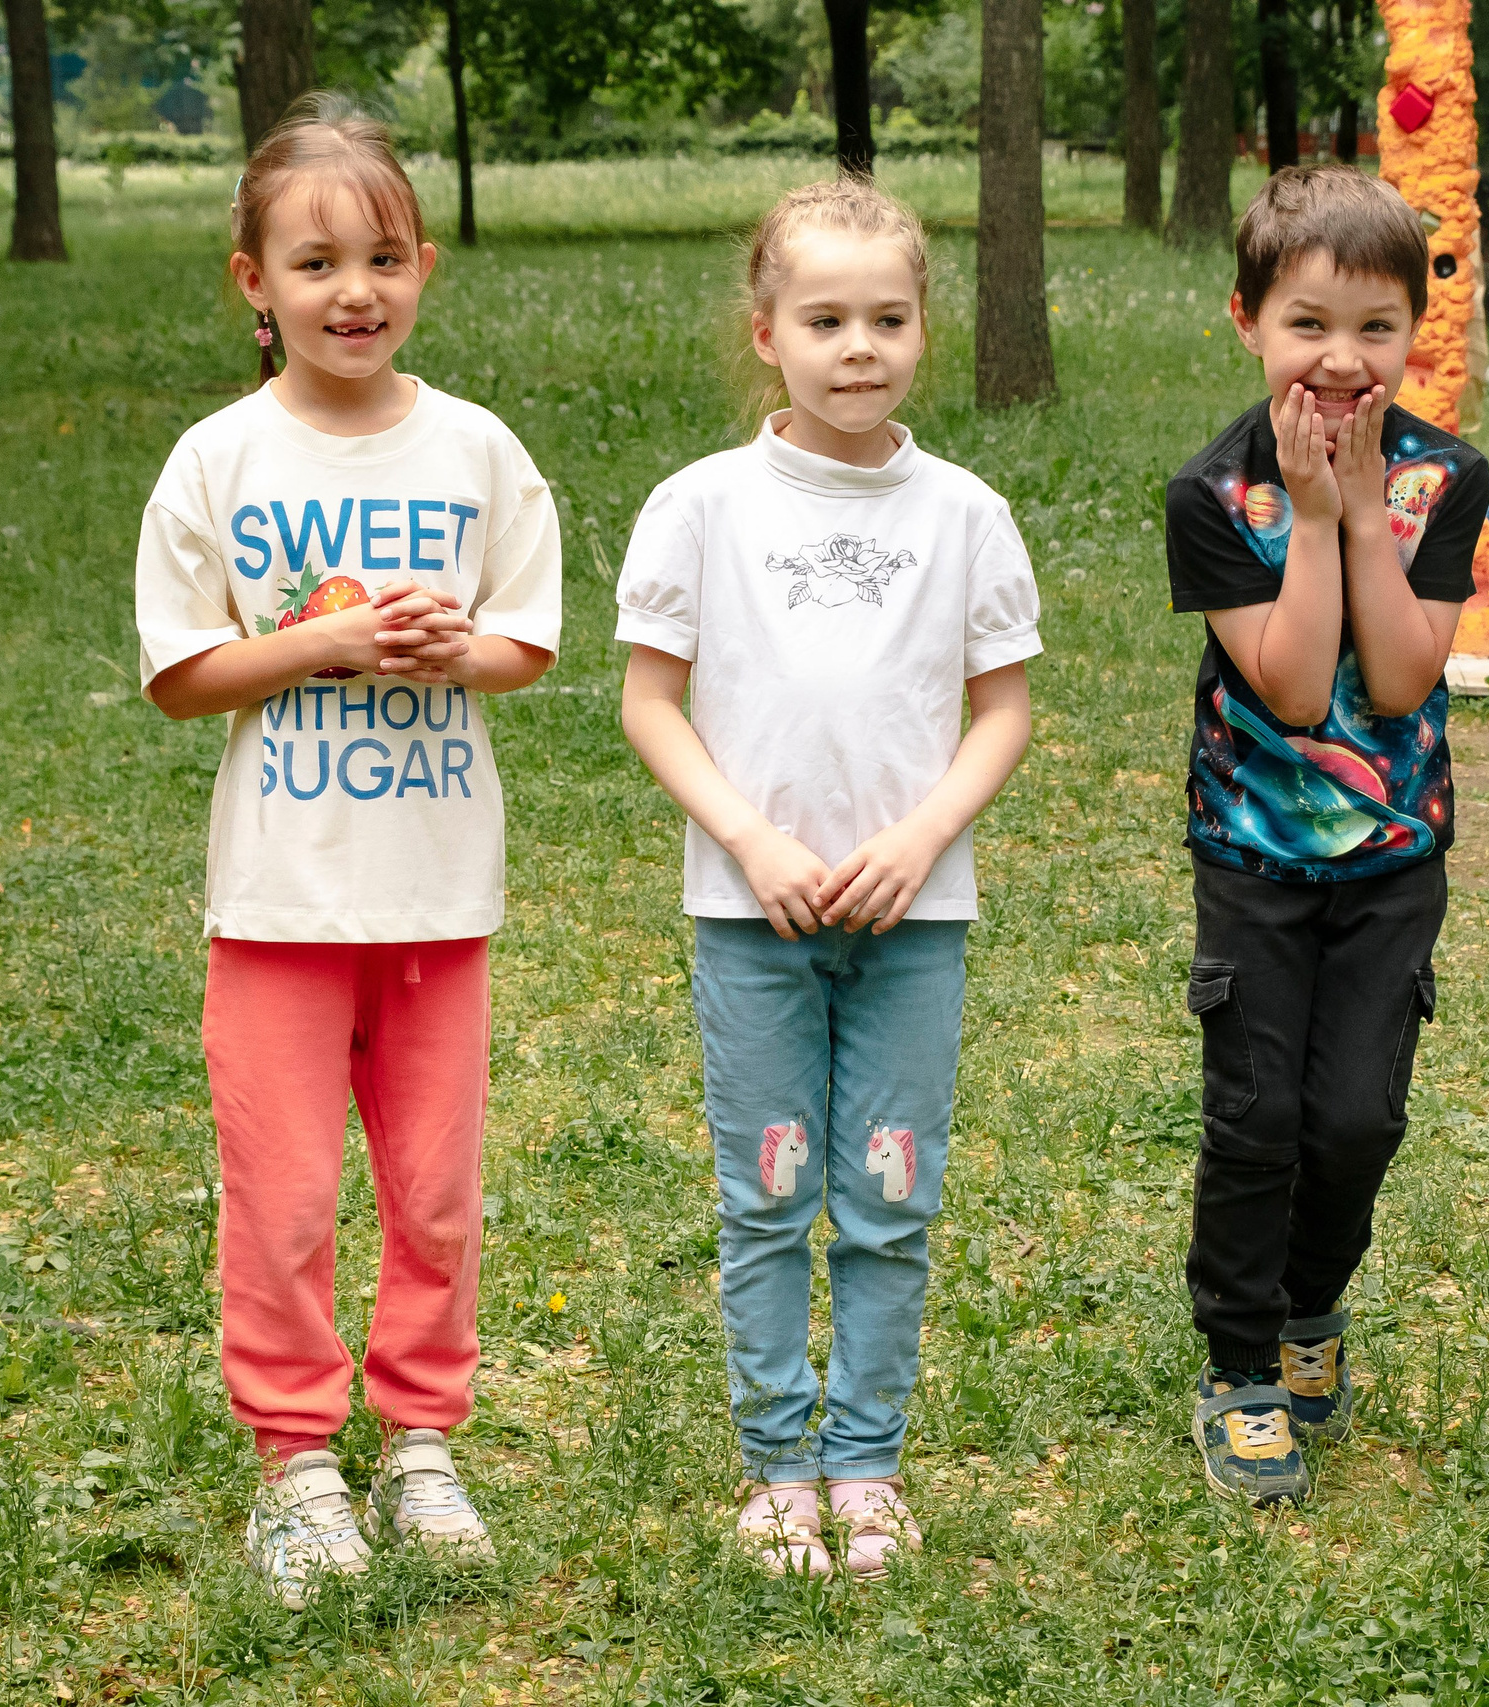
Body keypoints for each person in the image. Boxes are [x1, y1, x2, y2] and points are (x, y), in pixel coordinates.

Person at [134, 100, 560, 1609]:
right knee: (288, 1192)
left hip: (439, 893)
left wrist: (458, 648)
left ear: (425, 266)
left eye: (383, 255)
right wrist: (316, 640)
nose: (354, 288)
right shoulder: (218, 457)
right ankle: (298, 1461)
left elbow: (527, 639)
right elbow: (181, 673)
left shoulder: (477, 450)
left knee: (438, 1192)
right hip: (278, 901)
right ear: (253, 281)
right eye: (315, 262)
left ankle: (424, 1437)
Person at [617, 177, 1039, 1577]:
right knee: (770, 1191)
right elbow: (651, 702)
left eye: (889, 316)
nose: (859, 344)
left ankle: (865, 1463)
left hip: (915, 925)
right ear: (766, 332)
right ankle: (775, 1468)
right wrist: (751, 835)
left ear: (923, 328)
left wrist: (924, 837)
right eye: (826, 317)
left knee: (888, 1189)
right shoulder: (700, 507)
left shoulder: (967, 514)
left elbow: (1002, 711)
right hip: (755, 920)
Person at [1165, 167, 1489, 1507]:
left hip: (1393, 862)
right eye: (1307, 324)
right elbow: (1295, 689)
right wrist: (1307, 508)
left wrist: (1363, 506)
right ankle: (1242, 1363)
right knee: (1257, 1116)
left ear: (1415, 329)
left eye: (1373, 326)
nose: (1341, 359)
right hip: (1253, 860)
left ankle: (1312, 1307)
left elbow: (1402, 680)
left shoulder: (1445, 478)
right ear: (1247, 319)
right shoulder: (1214, 491)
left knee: (1355, 1116)